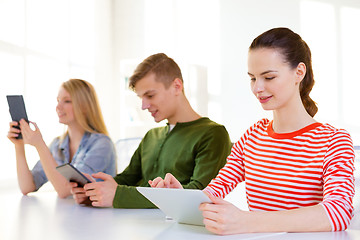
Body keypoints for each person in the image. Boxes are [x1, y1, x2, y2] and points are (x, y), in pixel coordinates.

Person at [150, 28, 355, 234]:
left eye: (269, 77)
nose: (257, 88)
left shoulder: (334, 141)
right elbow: (216, 189)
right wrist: (184, 200)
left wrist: (246, 221)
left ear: (299, 72)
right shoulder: (252, 137)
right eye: (253, 78)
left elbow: (338, 212)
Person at [70, 53, 232, 208]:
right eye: (141, 98)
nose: (143, 106)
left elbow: (199, 194)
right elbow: (128, 179)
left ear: (177, 86)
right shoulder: (151, 136)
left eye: (150, 96)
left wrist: (118, 195)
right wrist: (94, 191)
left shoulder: (213, 134)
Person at [7, 79, 116, 198]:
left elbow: (66, 191)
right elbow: (27, 186)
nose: (58, 107)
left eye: (67, 101)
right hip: (69, 214)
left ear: (85, 107)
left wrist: (39, 145)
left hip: (98, 215)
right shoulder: (57, 145)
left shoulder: (102, 144)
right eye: (58, 101)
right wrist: (19, 145)